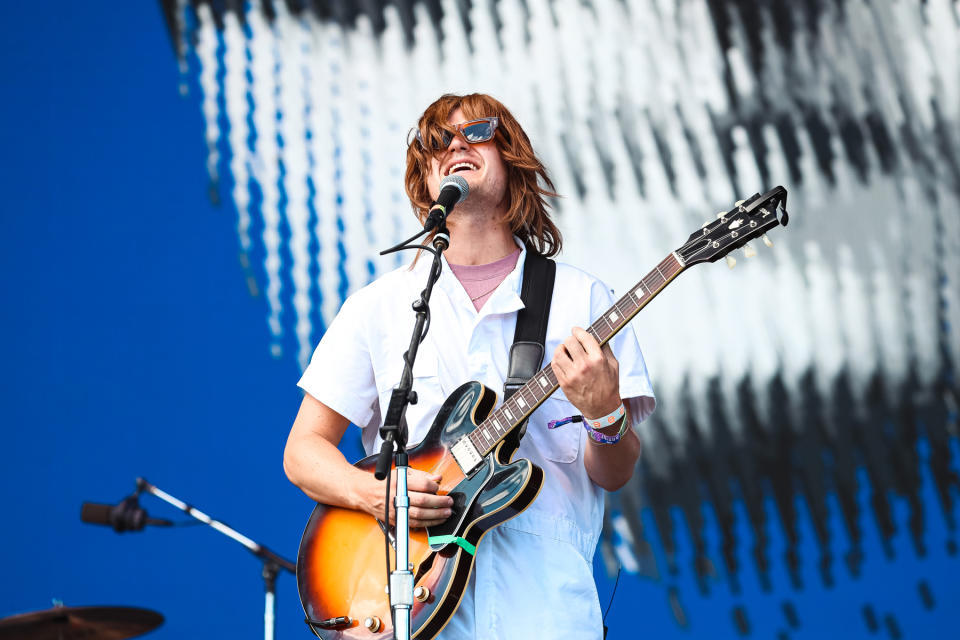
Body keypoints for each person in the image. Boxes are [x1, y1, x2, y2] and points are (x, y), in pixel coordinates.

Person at [284, 93, 655, 639]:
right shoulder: (380, 306)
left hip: (547, 612)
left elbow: (615, 473)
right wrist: (377, 496)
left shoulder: (582, 299)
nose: (455, 144)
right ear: (424, 177)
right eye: (437, 141)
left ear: (511, 158)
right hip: (407, 607)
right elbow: (303, 452)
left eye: (476, 131)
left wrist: (605, 416)